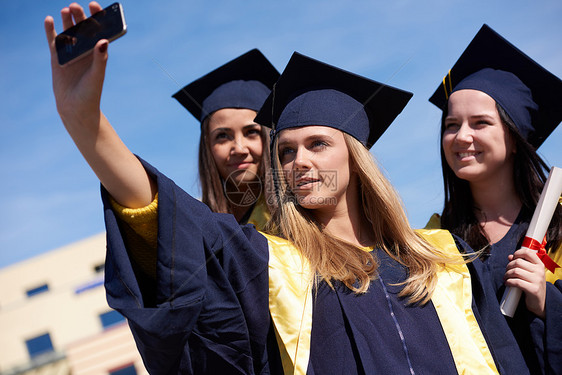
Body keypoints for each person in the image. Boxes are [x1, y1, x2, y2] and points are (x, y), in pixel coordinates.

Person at [46, 4, 530, 374]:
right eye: (286, 152)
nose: (299, 161)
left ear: (356, 159)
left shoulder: (445, 260)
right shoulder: (275, 267)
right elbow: (175, 221)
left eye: (318, 144)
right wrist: (86, 123)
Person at [426, 24, 562, 374]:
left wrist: (548, 301)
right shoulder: (435, 237)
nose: (461, 136)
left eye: (481, 123)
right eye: (451, 124)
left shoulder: (558, 226)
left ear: (515, 138)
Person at [172, 50, 279, 228]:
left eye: (251, 132)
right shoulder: (195, 227)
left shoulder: (297, 218)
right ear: (207, 147)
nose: (239, 148)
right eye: (222, 136)